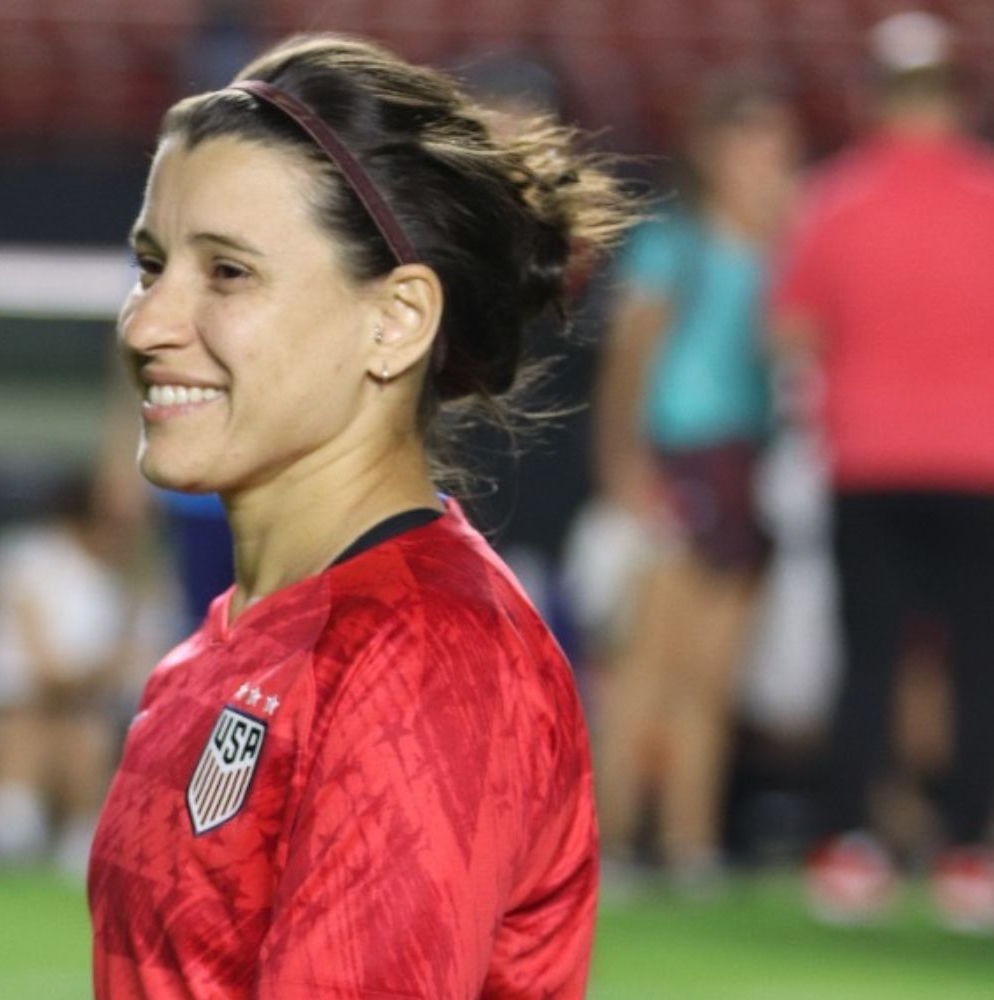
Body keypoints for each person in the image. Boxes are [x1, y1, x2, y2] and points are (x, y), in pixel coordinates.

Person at [87, 34, 627, 998]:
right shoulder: (216, 652)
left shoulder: (428, 657)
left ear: (397, 322)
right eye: (150, 264)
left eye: (228, 274)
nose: (147, 323)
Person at [771, 10, 994, 933]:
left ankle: (848, 846)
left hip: (867, 461)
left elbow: (786, 333)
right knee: (978, 664)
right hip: (977, 463)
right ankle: (968, 854)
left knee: (868, 656)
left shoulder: (834, 199)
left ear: (876, 98)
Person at [590, 73, 799, 889]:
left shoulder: (789, 248)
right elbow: (629, 364)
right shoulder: (672, 244)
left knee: (715, 671)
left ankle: (689, 841)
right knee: (650, 664)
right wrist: (625, 464)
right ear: (714, 153)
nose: (767, 161)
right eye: (751, 142)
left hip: (750, 464)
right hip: (681, 458)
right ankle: (611, 844)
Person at [0, 471, 170, 873]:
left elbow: (141, 670)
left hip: (94, 712)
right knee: (27, 722)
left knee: (87, 735)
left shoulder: (142, 580)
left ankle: (80, 832)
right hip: (16, 706)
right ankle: (10, 821)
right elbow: (45, 666)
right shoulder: (26, 558)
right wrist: (91, 672)